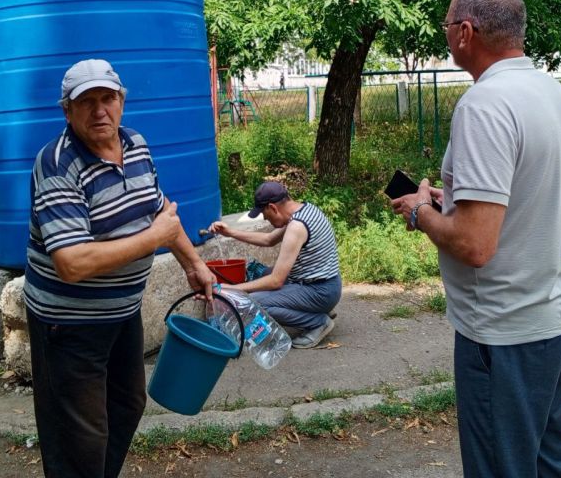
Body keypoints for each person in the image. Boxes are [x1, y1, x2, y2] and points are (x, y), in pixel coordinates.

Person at [391, 0, 561, 478]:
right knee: (550, 460)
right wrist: (449, 200)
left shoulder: (484, 105)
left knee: (502, 467)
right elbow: (519, 195)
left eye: (446, 26)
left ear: (465, 32)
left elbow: (476, 245)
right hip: (555, 317)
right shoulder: (552, 93)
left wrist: (420, 212)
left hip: (502, 332)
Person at [23, 59, 215, 478]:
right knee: (79, 436)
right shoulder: (57, 164)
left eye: (107, 98)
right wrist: (155, 239)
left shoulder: (136, 145)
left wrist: (193, 263)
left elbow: (161, 212)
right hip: (68, 324)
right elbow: (71, 263)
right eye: (86, 102)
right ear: (66, 110)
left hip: (122, 314)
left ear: (122, 102)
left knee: (127, 404)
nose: (99, 111)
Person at [208, 180, 341, 349]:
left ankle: (317, 322)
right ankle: (315, 310)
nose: (265, 219)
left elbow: (276, 281)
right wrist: (230, 232)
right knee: (263, 275)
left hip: (320, 292)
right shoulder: (306, 210)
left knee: (254, 302)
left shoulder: (297, 227)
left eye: (265, 214)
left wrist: (230, 289)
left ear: (273, 207)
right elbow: (268, 239)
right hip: (327, 285)